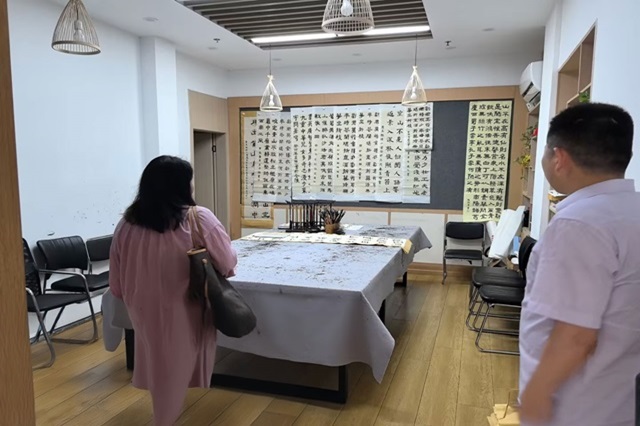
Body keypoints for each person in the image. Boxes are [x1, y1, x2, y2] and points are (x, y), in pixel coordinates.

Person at [518, 102, 640, 425]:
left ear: (559, 158)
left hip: (574, 406)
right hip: (619, 398)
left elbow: (575, 333)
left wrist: (536, 394)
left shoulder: (579, 223)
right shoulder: (631, 210)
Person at [109, 155, 237, 426]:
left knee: (159, 361)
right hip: (183, 307)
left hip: (140, 307)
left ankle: (164, 415)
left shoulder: (126, 223)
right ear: (181, 186)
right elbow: (227, 263)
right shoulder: (198, 218)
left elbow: (116, 280)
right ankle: (163, 420)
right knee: (173, 368)